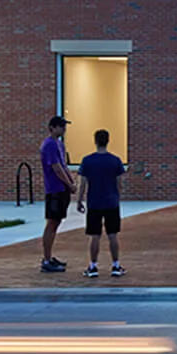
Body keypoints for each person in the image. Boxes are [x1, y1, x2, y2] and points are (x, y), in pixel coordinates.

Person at [78, 128, 128, 279]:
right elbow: (120, 184)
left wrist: (80, 200)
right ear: (108, 141)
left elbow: (83, 184)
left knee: (95, 236)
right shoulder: (115, 161)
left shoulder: (87, 161)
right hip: (111, 202)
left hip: (94, 203)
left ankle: (93, 266)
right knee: (113, 235)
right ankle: (115, 265)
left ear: (95, 141)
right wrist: (117, 197)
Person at [35, 115, 75, 274]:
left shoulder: (59, 144)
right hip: (55, 189)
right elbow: (57, 168)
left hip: (62, 188)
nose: (64, 129)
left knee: (56, 222)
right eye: (61, 126)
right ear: (52, 127)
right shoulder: (49, 145)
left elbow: (64, 166)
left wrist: (71, 183)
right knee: (51, 223)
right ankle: (46, 260)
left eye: (64, 126)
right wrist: (69, 184)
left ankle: (49, 257)